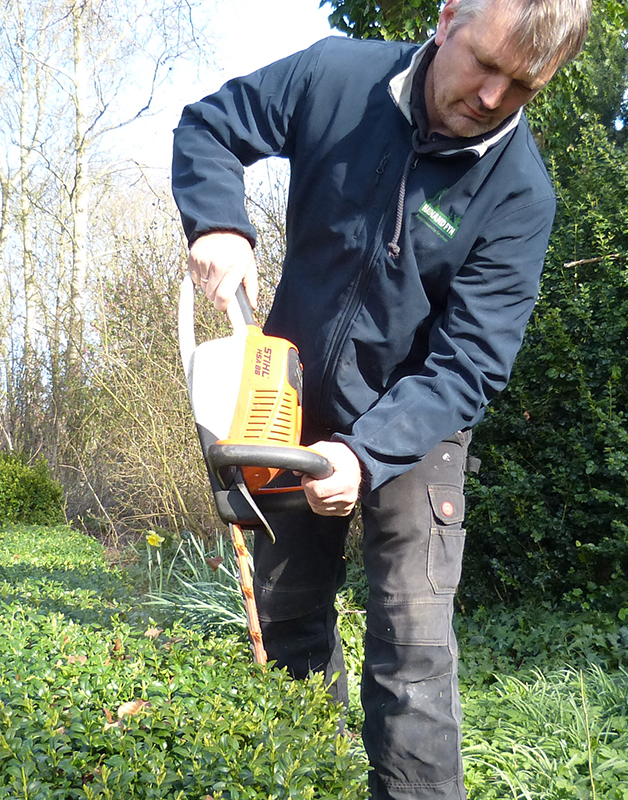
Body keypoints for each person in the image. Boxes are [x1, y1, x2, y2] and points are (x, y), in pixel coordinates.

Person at [171, 0, 591, 797]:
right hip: (289, 410)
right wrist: (219, 223)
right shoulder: (337, 77)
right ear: (445, 21)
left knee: (413, 650)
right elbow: (211, 126)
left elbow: (471, 361)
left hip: (421, 427)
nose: (494, 98)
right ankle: (313, 781)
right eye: (486, 64)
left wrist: (365, 456)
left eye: (523, 84)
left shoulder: (520, 195)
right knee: (290, 617)